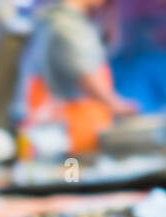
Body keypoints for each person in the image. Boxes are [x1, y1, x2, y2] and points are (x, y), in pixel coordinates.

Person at [27, 0, 140, 153]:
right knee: (73, 175)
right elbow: (84, 74)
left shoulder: (68, 21)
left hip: (82, 126)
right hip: (75, 131)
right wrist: (117, 105)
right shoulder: (66, 25)